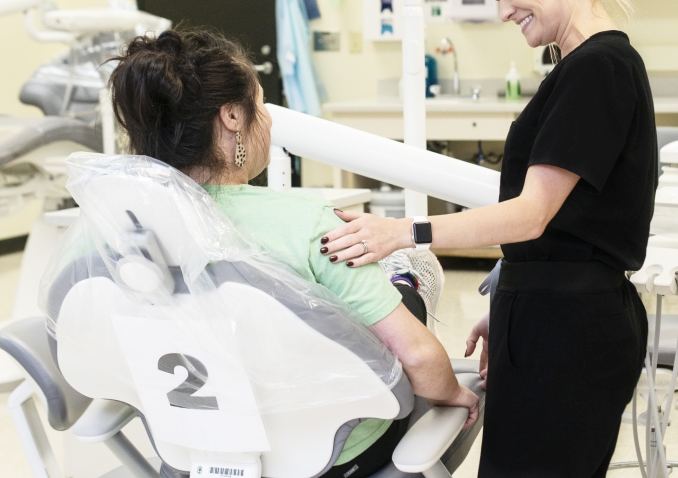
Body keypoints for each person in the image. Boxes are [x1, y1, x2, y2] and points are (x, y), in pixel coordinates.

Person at [319, 0, 655, 477]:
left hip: (573, 332)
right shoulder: (579, 68)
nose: (503, 10)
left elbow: (530, 216)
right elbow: (563, 227)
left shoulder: (600, 69)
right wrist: (511, 296)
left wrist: (404, 232)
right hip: (551, 316)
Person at [108, 28, 479, 478]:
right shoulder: (308, 225)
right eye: (260, 105)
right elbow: (419, 358)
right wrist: (453, 395)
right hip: (335, 454)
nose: (266, 119)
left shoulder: (116, 229)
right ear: (231, 116)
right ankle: (406, 282)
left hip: (201, 445)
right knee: (412, 269)